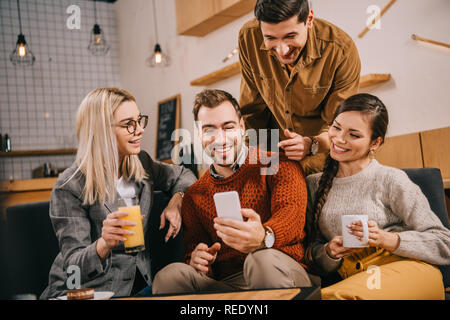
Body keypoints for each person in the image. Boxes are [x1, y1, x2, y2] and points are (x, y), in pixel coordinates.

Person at [152, 89, 316, 294]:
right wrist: (198, 260)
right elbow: (194, 249)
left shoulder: (279, 164)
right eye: (209, 129)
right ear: (198, 134)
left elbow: (291, 218)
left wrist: (264, 237)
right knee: (169, 277)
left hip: (281, 269)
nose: (220, 139)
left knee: (260, 259)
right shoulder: (194, 195)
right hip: (229, 284)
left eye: (228, 127)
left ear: (242, 127)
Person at [40, 88, 196, 299]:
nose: (140, 130)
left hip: (139, 285)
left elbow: (184, 176)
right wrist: (103, 244)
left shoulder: (141, 163)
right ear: (102, 130)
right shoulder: (70, 185)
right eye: (128, 124)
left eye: (139, 120)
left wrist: (177, 201)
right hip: (88, 290)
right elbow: (73, 267)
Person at [304, 93, 450, 300]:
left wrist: (386, 239)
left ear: (375, 142)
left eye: (354, 135)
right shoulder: (314, 184)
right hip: (357, 277)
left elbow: (444, 243)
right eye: (336, 128)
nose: (339, 139)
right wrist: (329, 252)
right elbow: (312, 252)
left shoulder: (391, 179)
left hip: (409, 270)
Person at [239, 0, 361, 175]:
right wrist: (261, 164)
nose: (282, 50)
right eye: (270, 38)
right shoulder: (248, 37)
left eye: (290, 36)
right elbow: (253, 112)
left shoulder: (341, 51)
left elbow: (339, 127)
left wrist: (310, 144)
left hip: (324, 156)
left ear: (309, 19)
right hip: (274, 157)